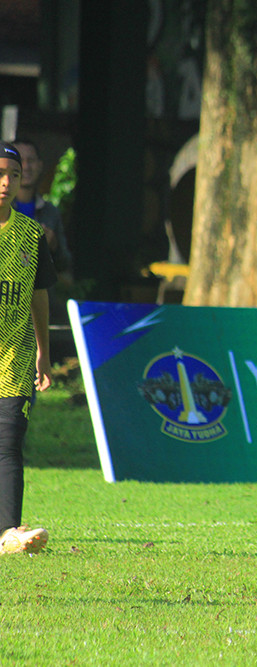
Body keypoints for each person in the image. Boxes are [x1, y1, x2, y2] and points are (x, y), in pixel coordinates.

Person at [0, 141, 56, 555]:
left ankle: (8, 534)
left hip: (14, 359)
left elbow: (39, 294)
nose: (5, 183)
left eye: (13, 175)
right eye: (0, 174)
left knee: (8, 443)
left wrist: (44, 350)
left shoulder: (31, 235)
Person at [11, 139, 72, 282]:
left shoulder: (50, 212)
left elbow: (64, 265)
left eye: (31, 160)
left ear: (40, 166)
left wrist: (53, 246)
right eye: (20, 160)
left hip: (38, 298)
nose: (25, 166)